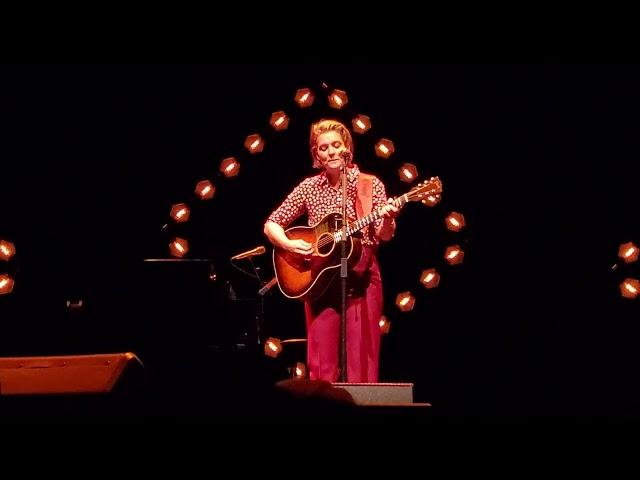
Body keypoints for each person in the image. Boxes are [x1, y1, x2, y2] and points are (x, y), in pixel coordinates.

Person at [264, 119, 401, 383]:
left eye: (336, 145)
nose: (330, 152)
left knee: (361, 356)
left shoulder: (369, 185)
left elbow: (384, 235)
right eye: (323, 147)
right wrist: (290, 244)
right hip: (320, 278)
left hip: (361, 277)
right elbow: (272, 224)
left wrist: (389, 218)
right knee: (321, 360)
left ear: (347, 147)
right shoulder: (309, 187)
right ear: (316, 154)